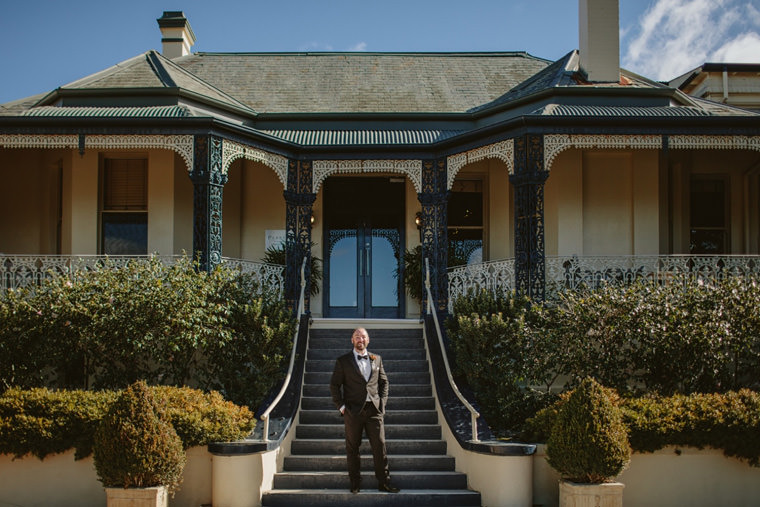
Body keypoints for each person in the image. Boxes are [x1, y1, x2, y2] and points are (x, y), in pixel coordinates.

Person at [329, 327, 400, 494]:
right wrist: (341, 406)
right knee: (352, 448)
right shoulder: (343, 361)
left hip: (374, 410)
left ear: (368, 340)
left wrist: (382, 404)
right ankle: (355, 483)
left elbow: (384, 383)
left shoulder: (377, 359)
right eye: (357, 336)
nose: (360, 339)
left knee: (379, 446)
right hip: (353, 411)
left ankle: (384, 483)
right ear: (352, 340)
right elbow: (334, 385)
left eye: (363, 336)